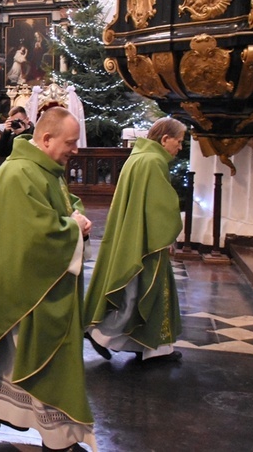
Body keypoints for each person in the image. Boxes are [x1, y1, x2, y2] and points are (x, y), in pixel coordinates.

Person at [0, 107, 95, 451]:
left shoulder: (44, 169)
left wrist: (76, 216)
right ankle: (57, 436)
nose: (76, 149)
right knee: (38, 358)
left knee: (16, 362)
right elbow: (34, 238)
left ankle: (0, 411)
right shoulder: (19, 174)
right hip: (26, 290)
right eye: (70, 142)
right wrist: (73, 227)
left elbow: (64, 204)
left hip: (36, 282)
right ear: (46, 139)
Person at [84, 117, 186, 363]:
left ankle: (144, 346)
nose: (180, 147)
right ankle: (104, 336)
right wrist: (173, 224)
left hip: (133, 234)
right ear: (165, 139)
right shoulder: (153, 162)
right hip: (147, 240)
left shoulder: (138, 157)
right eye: (179, 141)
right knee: (143, 292)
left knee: (133, 291)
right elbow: (160, 207)